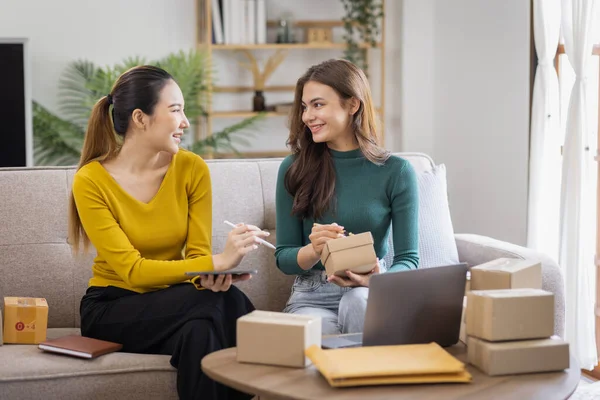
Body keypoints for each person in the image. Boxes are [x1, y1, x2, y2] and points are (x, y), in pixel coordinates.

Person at [69, 65, 267, 400]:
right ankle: (277, 354)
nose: (185, 122)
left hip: (183, 303)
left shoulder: (192, 169)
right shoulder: (91, 181)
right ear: (140, 118)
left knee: (200, 330)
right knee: (221, 303)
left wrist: (208, 276)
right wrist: (218, 263)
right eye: (175, 110)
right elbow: (133, 272)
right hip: (113, 308)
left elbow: (196, 257)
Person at [274, 59, 420, 335]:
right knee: (317, 341)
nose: (307, 116)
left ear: (353, 105)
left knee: (359, 304)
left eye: (318, 105)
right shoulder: (293, 169)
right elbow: (283, 257)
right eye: (305, 107)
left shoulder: (396, 172)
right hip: (312, 295)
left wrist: (379, 278)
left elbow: (409, 259)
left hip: (369, 290)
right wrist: (314, 249)